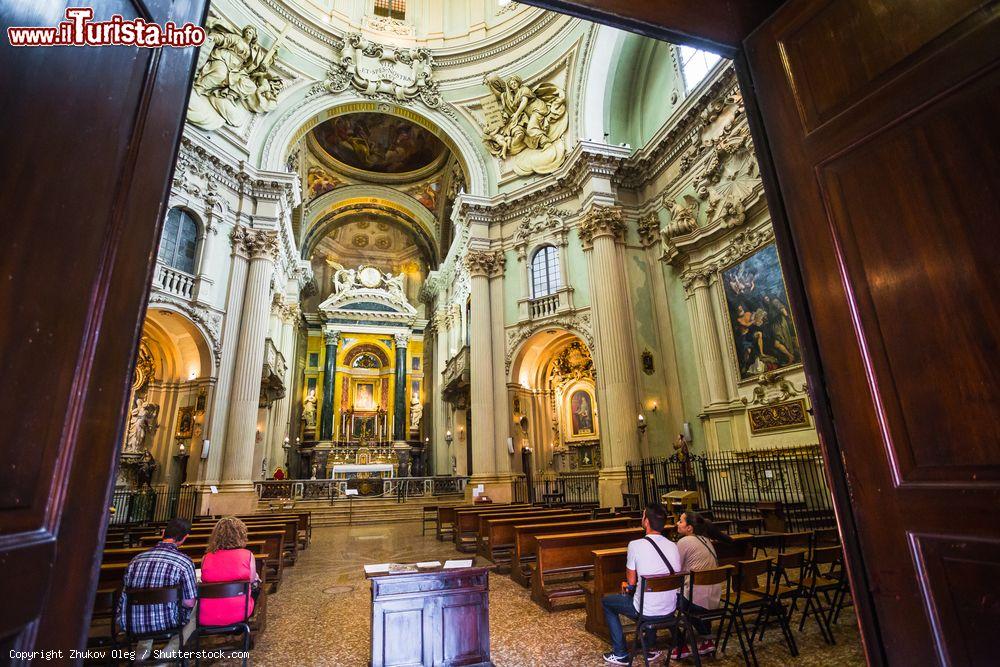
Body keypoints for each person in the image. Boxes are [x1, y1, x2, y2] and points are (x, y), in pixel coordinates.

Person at [602, 504, 681, 665]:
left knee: (607, 603)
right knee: (648, 595)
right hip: (670, 608)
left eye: (643, 515)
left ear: (646, 522)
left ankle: (620, 653)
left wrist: (628, 586)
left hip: (647, 609)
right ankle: (649, 648)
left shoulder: (635, 545)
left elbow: (631, 582)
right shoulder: (673, 546)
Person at [118, 518, 197, 663]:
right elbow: (189, 602)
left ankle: (141, 655)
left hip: (132, 622)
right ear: (185, 538)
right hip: (167, 622)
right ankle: (165, 658)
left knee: (146, 608)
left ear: (163, 533)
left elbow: (124, 595)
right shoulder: (184, 563)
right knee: (196, 607)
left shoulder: (135, 560)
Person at [672, 511, 734, 659]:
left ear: (689, 528)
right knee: (693, 595)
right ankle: (707, 641)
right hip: (714, 599)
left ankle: (681, 646)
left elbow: (675, 568)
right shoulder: (706, 540)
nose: (677, 523)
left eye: (680, 521)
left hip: (695, 601)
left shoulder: (684, 542)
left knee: (666, 601)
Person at [199, 516, 261, 627]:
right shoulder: (247, 555)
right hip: (239, 611)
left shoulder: (206, 558)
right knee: (257, 585)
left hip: (208, 614)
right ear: (241, 535)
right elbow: (251, 581)